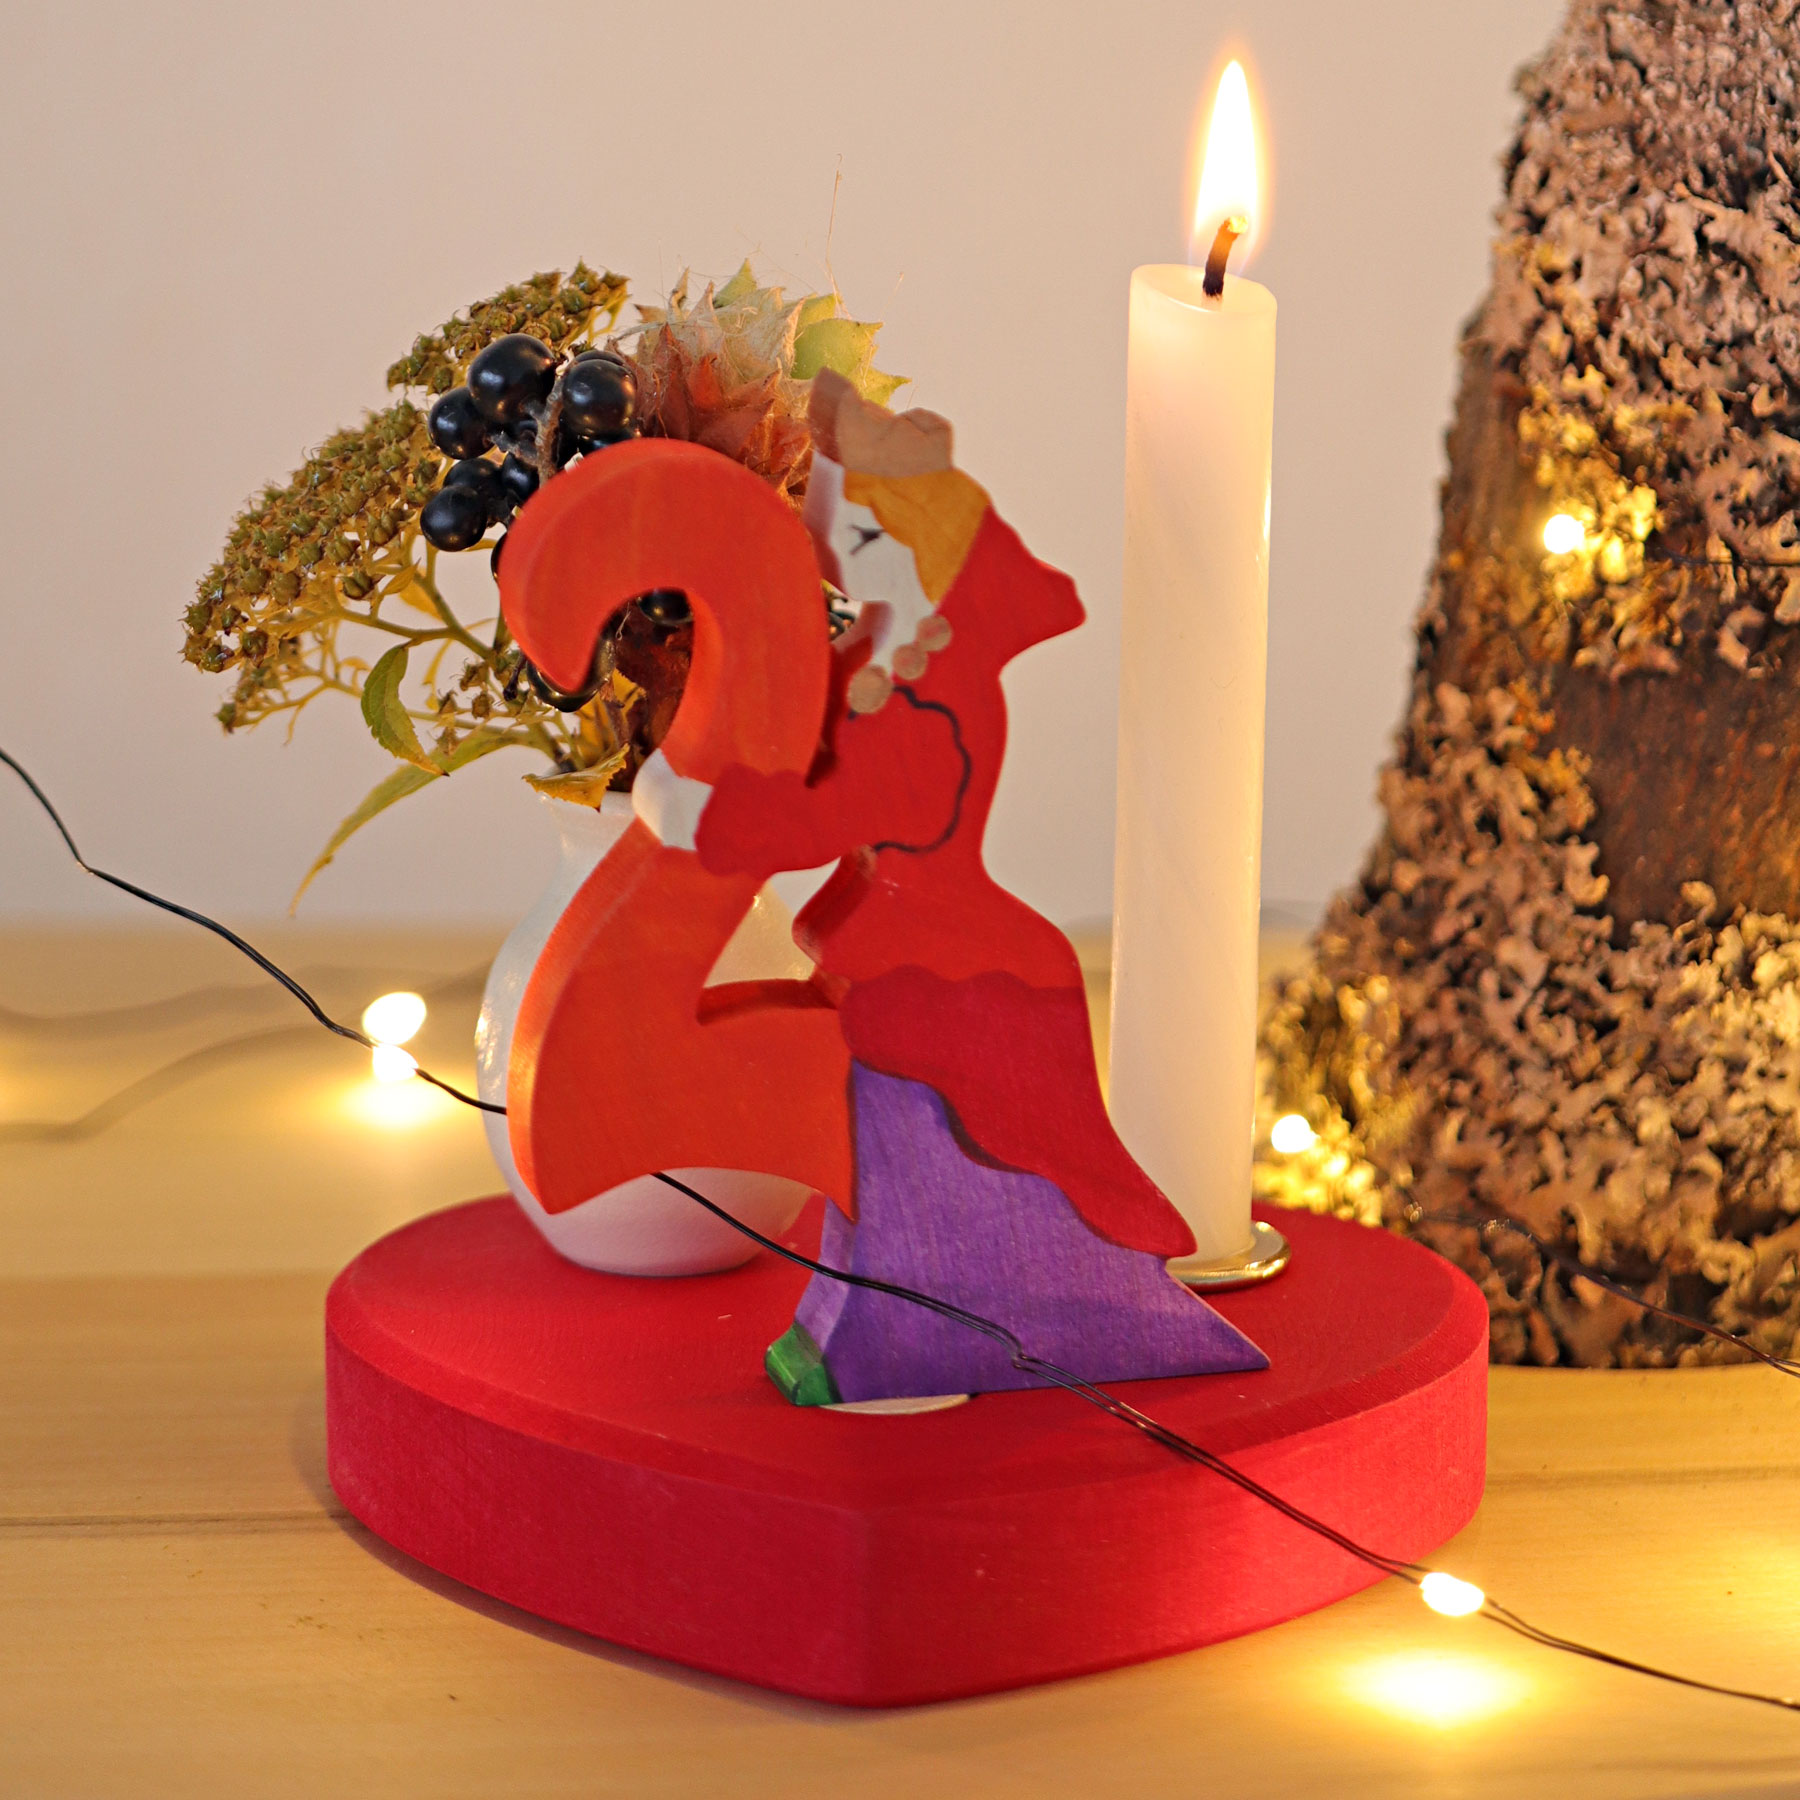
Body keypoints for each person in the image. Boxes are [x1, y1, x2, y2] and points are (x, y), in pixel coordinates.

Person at [695, 372, 1264, 1404]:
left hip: (936, 955)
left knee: (912, 1118)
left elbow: (848, 808)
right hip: (891, 933)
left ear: (923, 558)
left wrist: (711, 814)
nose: (831, 564)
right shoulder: (872, 663)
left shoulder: (929, 701)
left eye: (855, 542)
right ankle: (877, 1312)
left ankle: (938, 1313)